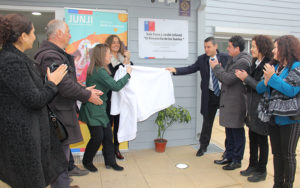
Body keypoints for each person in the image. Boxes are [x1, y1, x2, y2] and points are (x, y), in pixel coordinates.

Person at [0, 14, 68, 188]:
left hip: (27, 133)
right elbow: (35, 99)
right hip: (22, 138)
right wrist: (52, 84)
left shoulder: (18, 59)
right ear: (22, 36)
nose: (35, 36)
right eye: (32, 32)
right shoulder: (11, 62)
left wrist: (47, 82)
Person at [34, 19, 103, 188]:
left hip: (59, 114)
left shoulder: (55, 54)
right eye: (68, 32)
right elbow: (63, 86)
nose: (70, 35)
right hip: (57, 117)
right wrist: (87, 95)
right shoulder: (51, 56)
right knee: (59, 161)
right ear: (58, 33)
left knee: (61, 159)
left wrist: (82, 88)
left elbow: (64, 81)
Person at [166, 37, 229, 157]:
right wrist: (175, 70)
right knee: (207, 122)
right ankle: (203, 146)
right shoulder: (202, 59)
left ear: (215, 46)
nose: (206, 49)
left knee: (227, 123)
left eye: (208, 47)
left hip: (224, 94)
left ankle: (228, 150)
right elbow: (191, 68)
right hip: (210, 94)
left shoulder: (226, 58)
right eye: (205, 47)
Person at [79, 44, 131, 172]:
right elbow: (115, 86)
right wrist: (128, 75)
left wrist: (125, 63)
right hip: (93, 110)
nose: (110, 56)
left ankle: (110, 162)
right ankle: (87, 161)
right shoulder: (99, 71)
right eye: (108, 53)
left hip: (99, 109)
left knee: (107, 136)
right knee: (97, 137)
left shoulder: (99, 68)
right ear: (102, 55)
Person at [256, 35, 300, 188]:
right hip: (274, 117)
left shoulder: (297, 67)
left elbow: (291, 90)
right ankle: (277, 184)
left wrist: (272, 78)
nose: (273, 51)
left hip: (290, 119)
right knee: (277, 154)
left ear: (285, 48)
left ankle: (287, 185)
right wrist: (268, 79)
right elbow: (260, 88)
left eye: (276, 47)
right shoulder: (277, 67)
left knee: (288, 155)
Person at [235, 35, 273, 182]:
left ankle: (261, 170)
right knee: (252, 138)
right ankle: (252, 165)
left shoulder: (267, 64)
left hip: (261, 108)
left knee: (262, 140)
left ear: (263, 47)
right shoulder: (254, 62)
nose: (251, 49)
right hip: (251, 107)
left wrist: (246, 78)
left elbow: (261, 87)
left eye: (254, 46)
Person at [211, 35, 251, 170]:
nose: (227, 49)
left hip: (236, 102)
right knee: (229, 131)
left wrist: (217, 68)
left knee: (237, 131)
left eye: (229, 47)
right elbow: (225, 76)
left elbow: (227, 79)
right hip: (229, 101)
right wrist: (220, 70)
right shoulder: (233, 59)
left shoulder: (243, 62)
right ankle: (228, 156)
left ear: (237, 48)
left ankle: (236, 159)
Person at [105, 34, 132, 159]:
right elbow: (115, 73)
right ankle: (108, 151)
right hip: (109, 97)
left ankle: (116, 149)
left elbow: (131, 71)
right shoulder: (105, 59)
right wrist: (125, 62)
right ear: (109, 45)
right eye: (113, 42)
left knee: (118, 125)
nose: (116, 44)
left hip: (122, 97)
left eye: (118, 42)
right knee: (108, 125)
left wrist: (127, 60)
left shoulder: (123, 57)